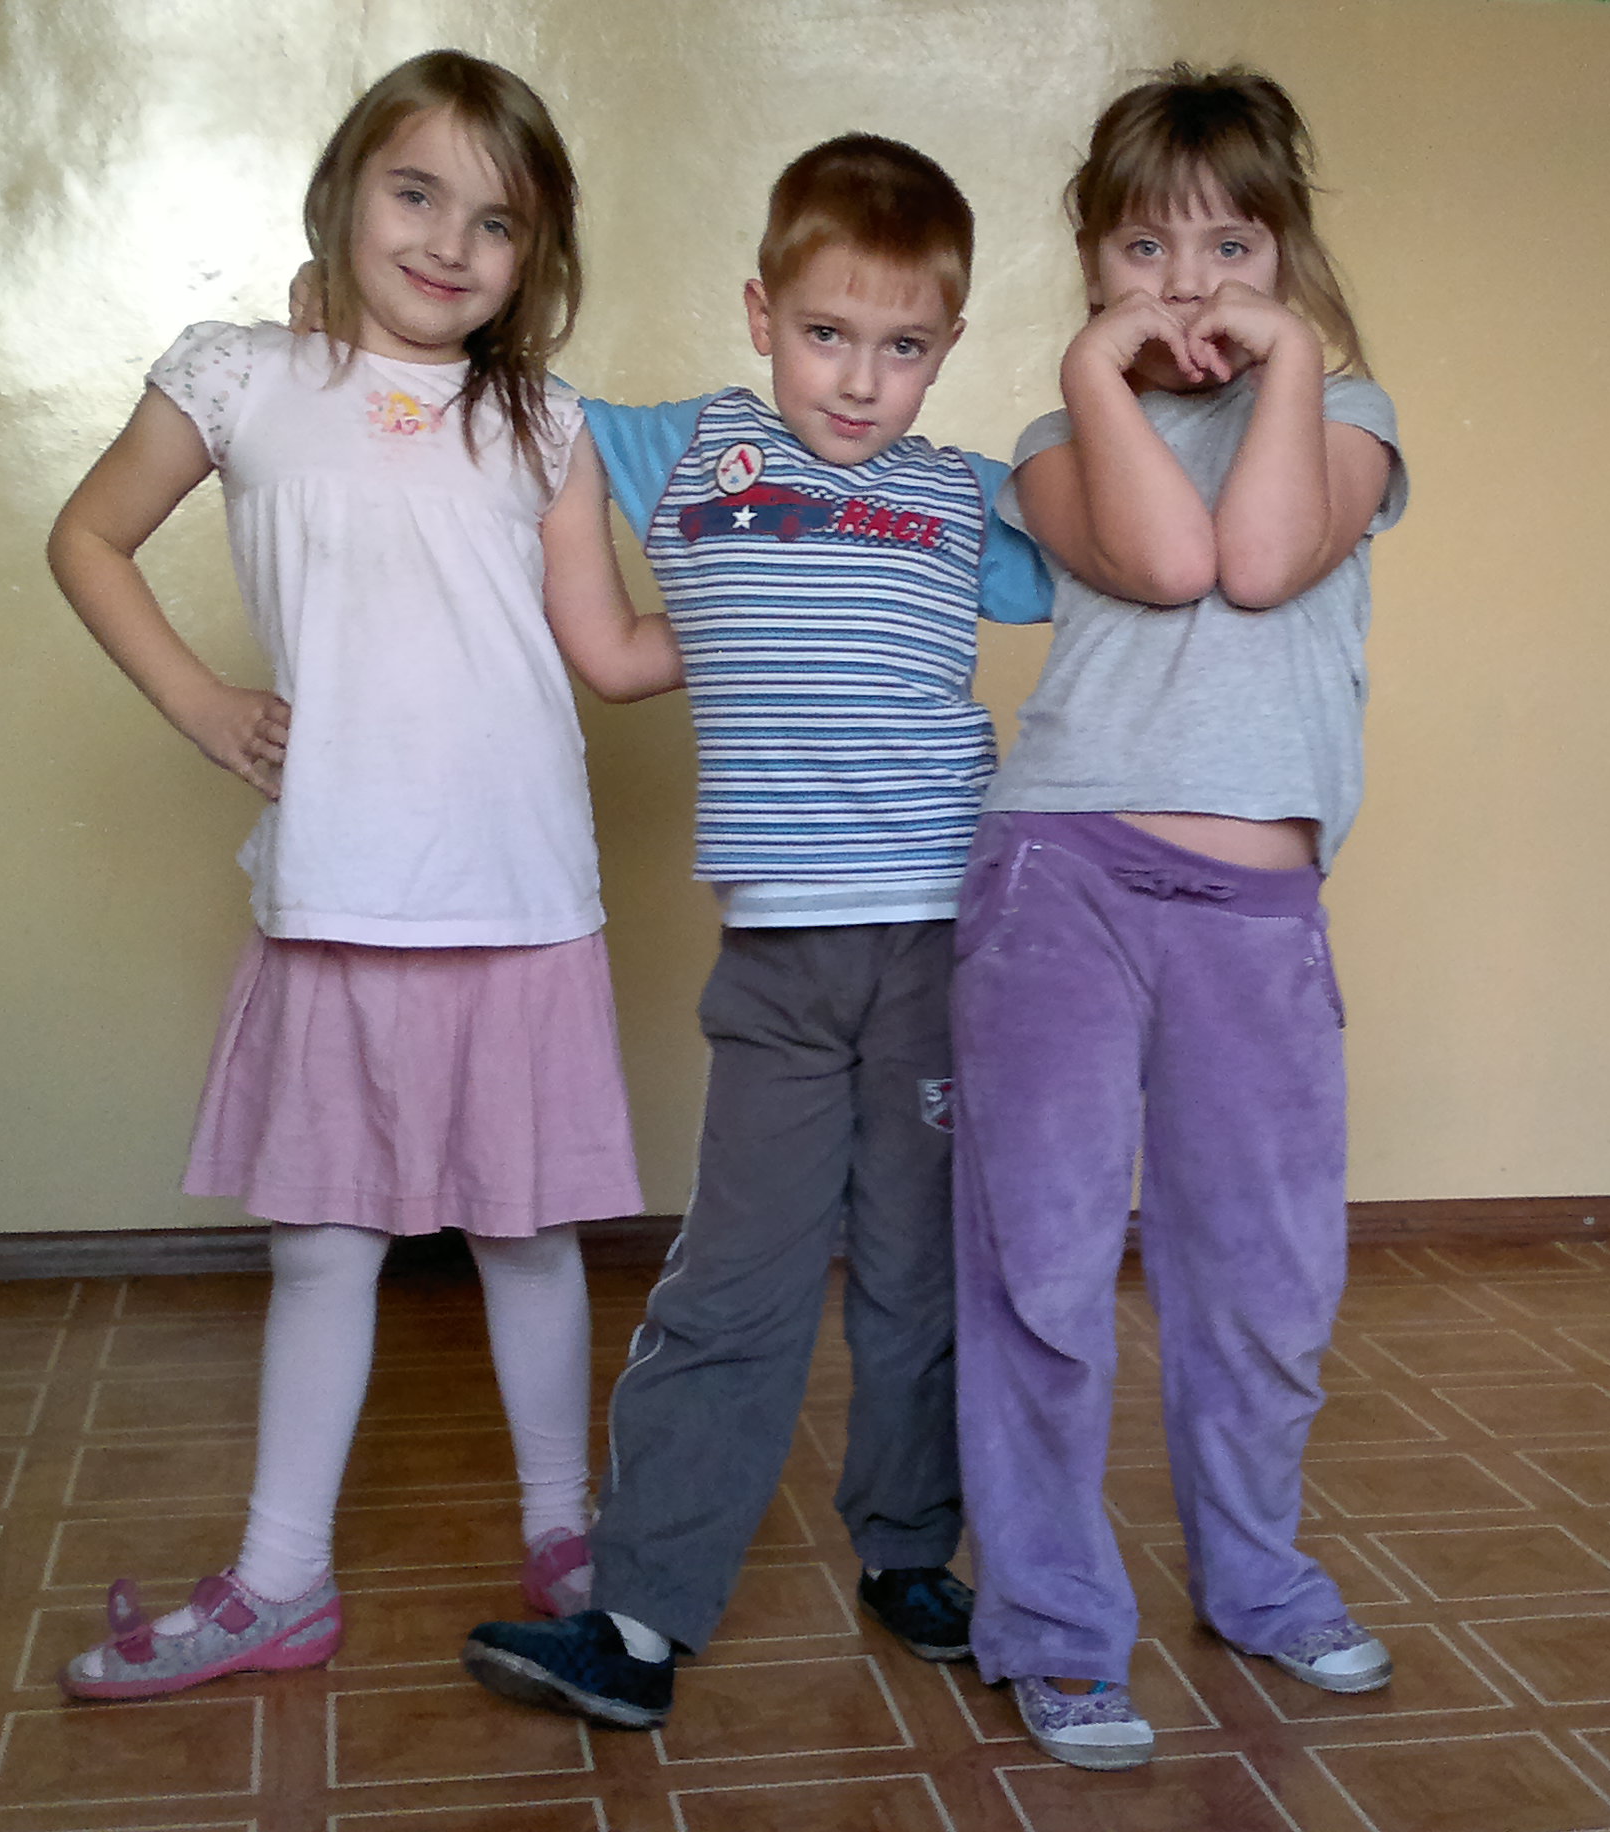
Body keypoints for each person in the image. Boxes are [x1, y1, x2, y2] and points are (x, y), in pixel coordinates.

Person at [45, 50, 680, 1701]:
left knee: (527, 1236)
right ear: (342, 193)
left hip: (521, 894)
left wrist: (774, 606)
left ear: (534, 257)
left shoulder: (543, 423)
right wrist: (204, 705)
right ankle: (280, 1582)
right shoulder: (242, 374)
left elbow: (611, 654)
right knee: (322, 1246)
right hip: (338, 889)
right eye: (417, 194)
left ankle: (566, 1533)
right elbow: (87, 537)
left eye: (497, 221)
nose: (451, 242)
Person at [455, 133, 1049, 1731]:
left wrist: (1142, 351)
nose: (859, 380)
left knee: (921, 1271)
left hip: (942, 946)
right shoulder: (687, 450)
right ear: (760, 313)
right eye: (826, 333)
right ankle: (640, 1614)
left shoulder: (964, 497)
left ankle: (912, 1548)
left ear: (950, 347)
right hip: (780, 961)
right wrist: (335, 331)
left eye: (905, 346)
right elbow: (507, 406)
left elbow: (1139, 542)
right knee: (735, 1280)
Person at [950, 64, 1409, 1769]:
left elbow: (1267, 556)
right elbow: (1170, 561)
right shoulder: (1060, 440)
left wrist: (1288, 361)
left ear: (1289, 255)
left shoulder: (1347, 415)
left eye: (1231, 244)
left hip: (1254, 909)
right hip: (1060, 879)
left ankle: (1260, 1579)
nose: (1190, 281)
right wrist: (1094, 369)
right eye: (1145, 247)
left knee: (1264, 1276)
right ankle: (1054, 1624)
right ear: (1092, 261)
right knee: (1043, 1271)